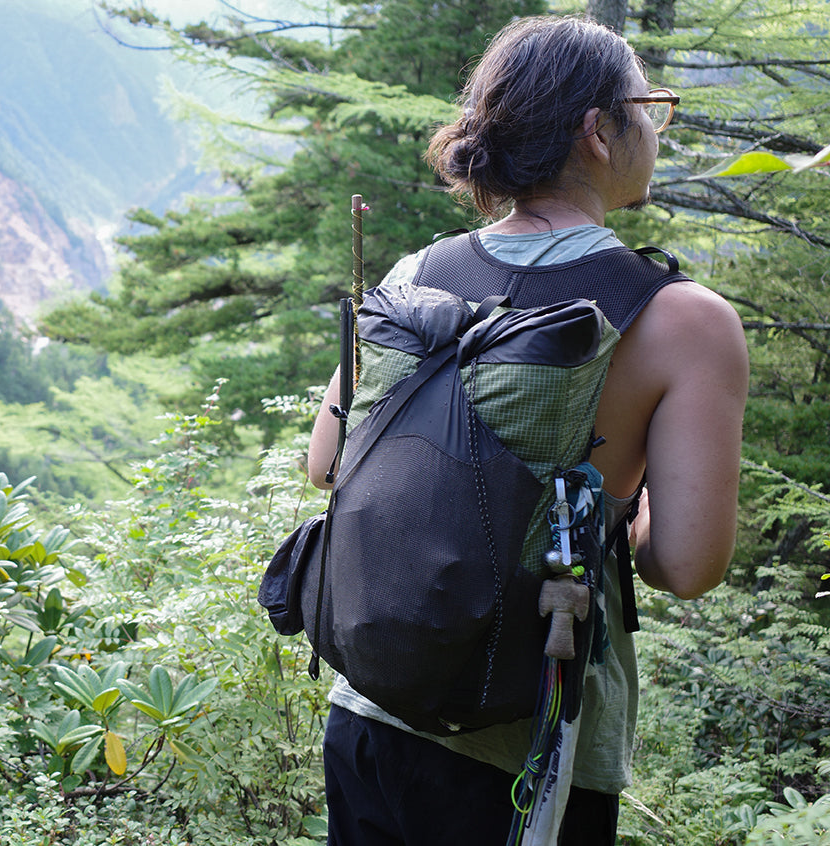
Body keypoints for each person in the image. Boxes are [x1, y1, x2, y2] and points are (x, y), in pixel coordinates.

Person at [305, 14, 749, 846]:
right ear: (598, 132)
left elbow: (326, 463)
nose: (658, 126)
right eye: (650, 106)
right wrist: (632, 501)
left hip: (370, 713)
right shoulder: (684, 320)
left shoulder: (419, 271)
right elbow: (685, 567)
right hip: (531, 751)